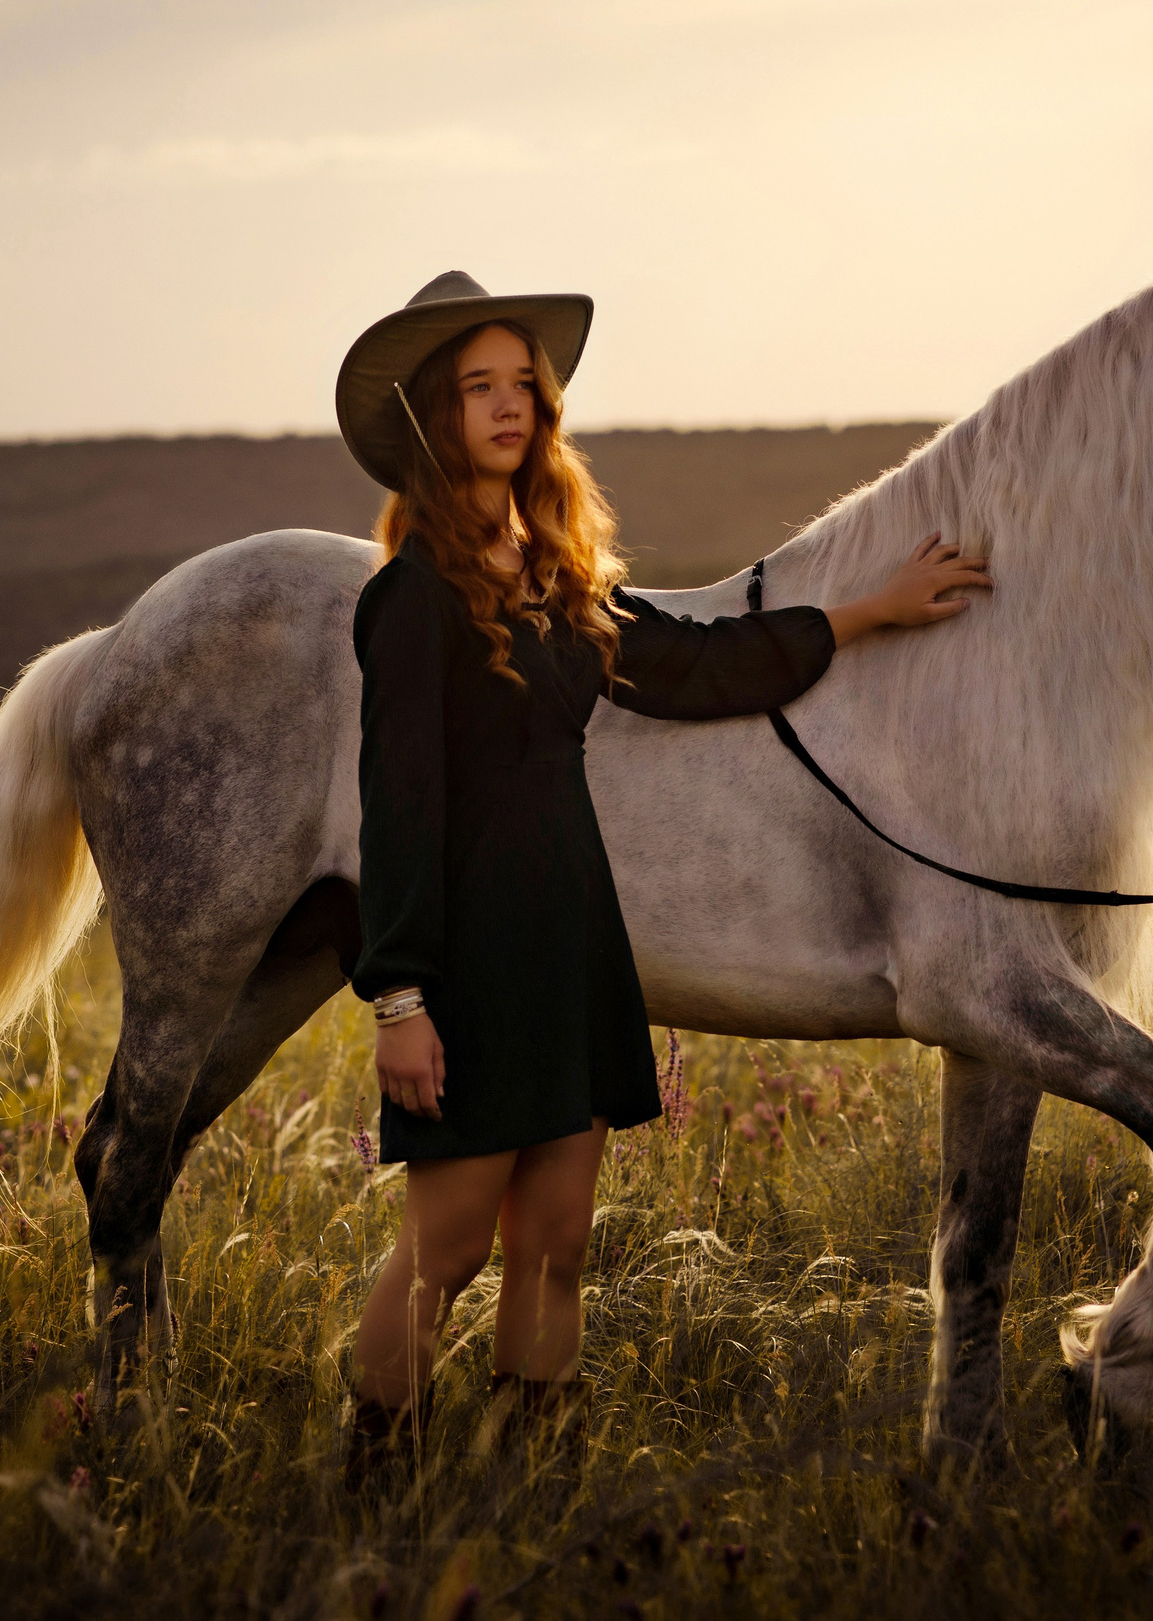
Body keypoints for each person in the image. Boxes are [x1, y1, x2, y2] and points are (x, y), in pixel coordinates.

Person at [332, 271, 990, 1488]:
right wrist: (400, 998)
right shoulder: (409, 599)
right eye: (477, 388)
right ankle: (378, 1482)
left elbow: (699, 667)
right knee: (449, 1244)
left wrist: (869, 612)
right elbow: (398, 809)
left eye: (521, 383)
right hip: (465, 962)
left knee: (558, 1239)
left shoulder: (556, 580)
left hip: (575, 946)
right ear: (432, 419)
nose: (508, 405)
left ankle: (529, 1477)